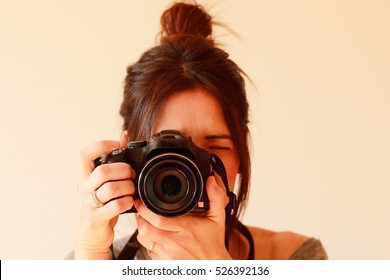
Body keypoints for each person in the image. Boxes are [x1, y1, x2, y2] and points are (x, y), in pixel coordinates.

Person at [74, 2, 327, 260]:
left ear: (241, 150)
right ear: (128, 152)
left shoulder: (295, 258)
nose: (188, 169)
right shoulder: (96, 260)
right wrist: (92, 254)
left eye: (215, 149)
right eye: (168, 151)